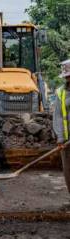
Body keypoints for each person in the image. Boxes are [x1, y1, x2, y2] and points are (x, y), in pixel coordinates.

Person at [53, 59, 70, 192]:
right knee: (68, 173)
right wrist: (60, 137)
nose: (68, 79)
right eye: (66, 76)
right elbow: (58, 115)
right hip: (66, 141)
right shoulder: (61, 92)